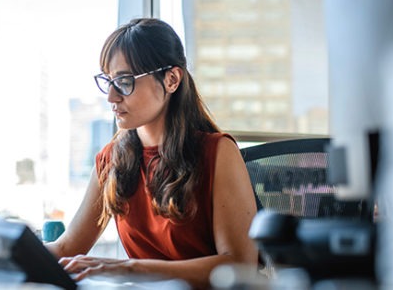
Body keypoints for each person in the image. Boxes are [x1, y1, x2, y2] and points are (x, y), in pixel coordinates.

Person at [46, 18, 258, 289]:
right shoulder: (111, 159)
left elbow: (239, 264)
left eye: (123, 81)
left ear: (171, 79)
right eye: (108, 81)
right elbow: (67, 247)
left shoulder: (217, 152)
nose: (111, 96)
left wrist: (129, 269)